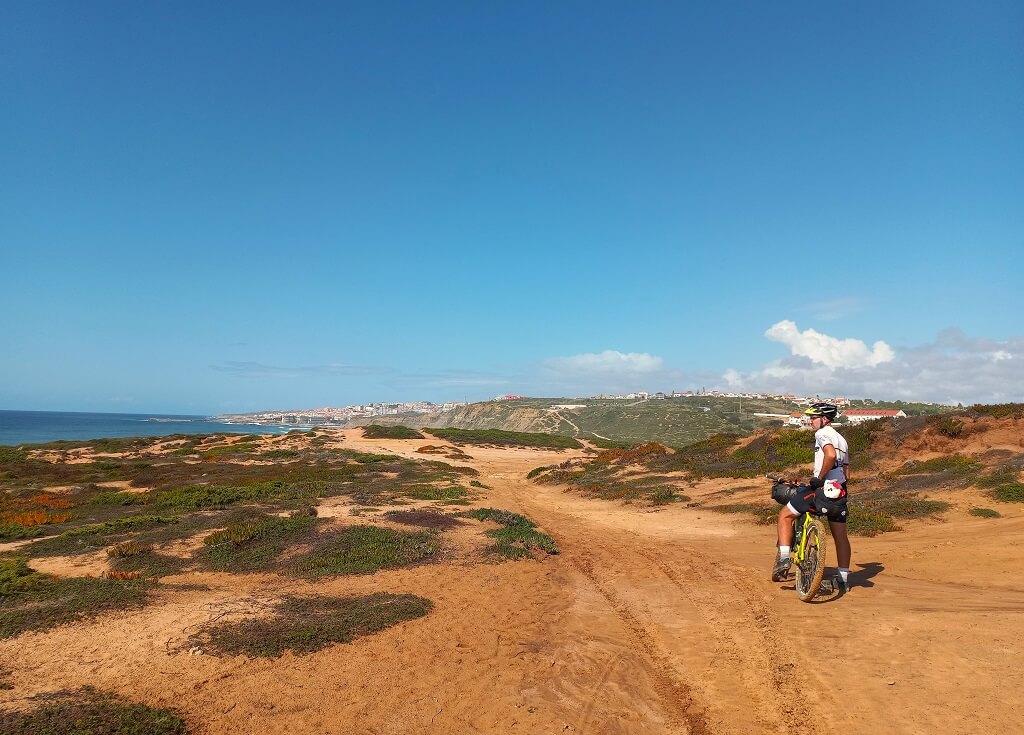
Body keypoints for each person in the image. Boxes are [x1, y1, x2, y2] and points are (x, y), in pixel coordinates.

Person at [771, 402, 852, 594]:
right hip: (840, 492)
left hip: (822, 490)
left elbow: (830, 455)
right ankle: (843, 579)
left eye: (813, 418)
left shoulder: (822, 434)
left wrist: (819, 479)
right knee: (841, 537)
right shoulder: (843, 439)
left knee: (785, 515)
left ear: (825, 419)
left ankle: (784, 558)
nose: (810, 421)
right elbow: (847, 474)